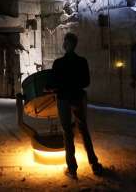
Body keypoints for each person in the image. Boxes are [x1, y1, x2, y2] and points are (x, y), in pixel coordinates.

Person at [47, 32, 103, 180]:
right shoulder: (82, 61)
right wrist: (74, 85)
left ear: (66, 44)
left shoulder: (58, 63)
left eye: (65, 41)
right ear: (75, 44)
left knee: (67, 132)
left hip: (64, 99)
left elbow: (53, 84)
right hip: (78, 98)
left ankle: (72, 169)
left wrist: (52, 88)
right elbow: (86, 83)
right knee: (84, 130)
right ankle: (94, 164)